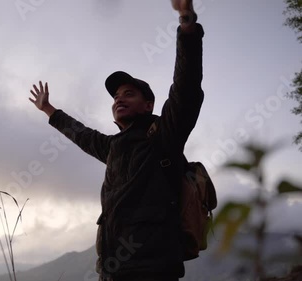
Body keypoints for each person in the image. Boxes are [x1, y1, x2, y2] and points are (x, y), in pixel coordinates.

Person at [28, 0, 204, 280]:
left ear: (148, 105)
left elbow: (186, 88)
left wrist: (186, 25)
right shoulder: (112, 147)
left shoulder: (164, 134)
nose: (119, 98)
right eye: (115, 96)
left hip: (153, 271)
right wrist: (49, 110)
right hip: (112, 270)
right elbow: (81, 134)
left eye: (129, 93)